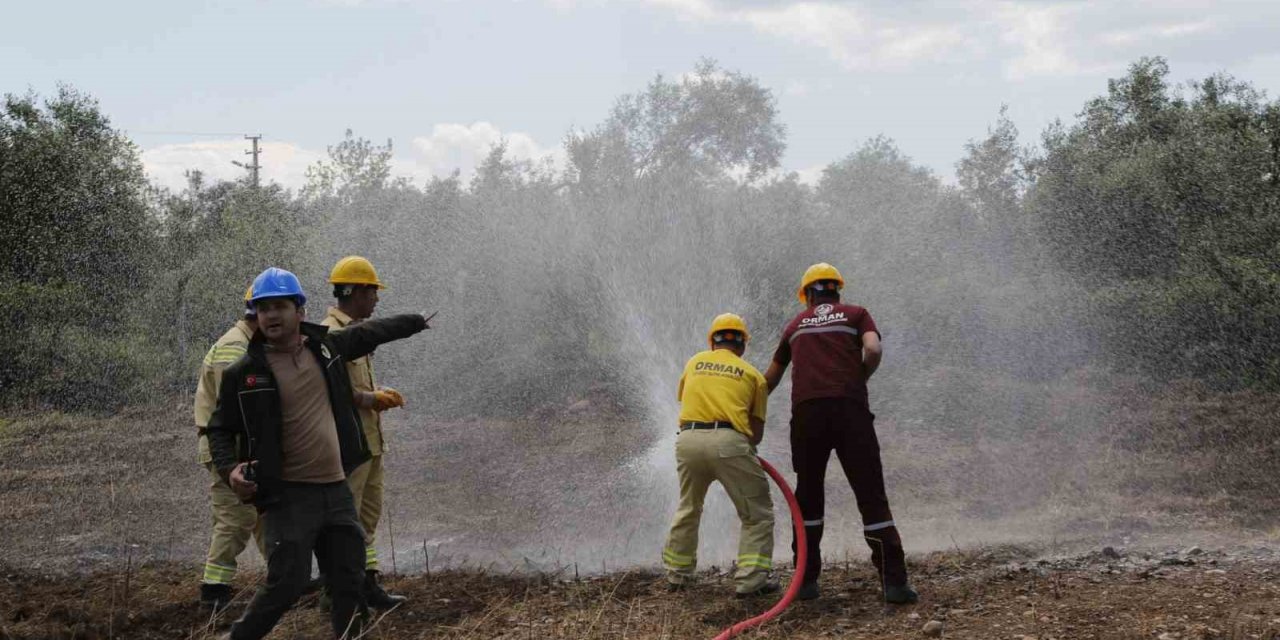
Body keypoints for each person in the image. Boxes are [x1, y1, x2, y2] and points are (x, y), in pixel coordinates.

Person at [207, 267, 431, 639]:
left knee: (349, 579)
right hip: (289, 496)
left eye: (280, 306)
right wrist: (229, 469)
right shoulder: (244, 373)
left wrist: (416, 322)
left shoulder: (325, 349)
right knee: (287, 584)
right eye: (263, 308)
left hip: (336, 489)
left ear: (300, 311)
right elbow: (217, 429)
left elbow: (370, 332)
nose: (271, 315)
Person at [763, 262, 918, 604]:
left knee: (808, 496)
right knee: (870, 494)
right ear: (837, 290)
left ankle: (805, 582)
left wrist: (737, 409)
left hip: (807, 415)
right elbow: (873, 349)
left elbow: (768, 381)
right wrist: (859, 377)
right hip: (850, 411)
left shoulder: (795, 325)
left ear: (807, 296)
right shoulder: (857, 314)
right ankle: (894, 583)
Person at [662, 313, 777, 597]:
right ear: (743, 344)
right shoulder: (753, 376)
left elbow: (687, 398)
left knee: (689, 507)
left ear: (712, 342)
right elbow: (755, 435)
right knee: (757, 514)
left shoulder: (694, 363)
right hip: (729, 443)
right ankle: (750, 583)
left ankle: (677, 576)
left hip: (688, 440)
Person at [320, 256, 406, 608]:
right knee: (346, 520)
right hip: (349, 447)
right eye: (373, 292)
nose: (377, 299)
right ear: (355, 292)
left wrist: (376, 394)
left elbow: (352, 385)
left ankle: (367, 584)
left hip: (371, 442)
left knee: (367, 517)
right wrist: (373, 399)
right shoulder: (330, 335)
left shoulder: (358, 332)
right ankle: (337, 593)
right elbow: (330, 392)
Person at [194, 285, 264, 611]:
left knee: (265, 515)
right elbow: (233, 412)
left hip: (244, 448)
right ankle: (214, 591)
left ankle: (285, 577)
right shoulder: (235, 349)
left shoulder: (246, 342)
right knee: (235, 518)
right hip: (229, 450)